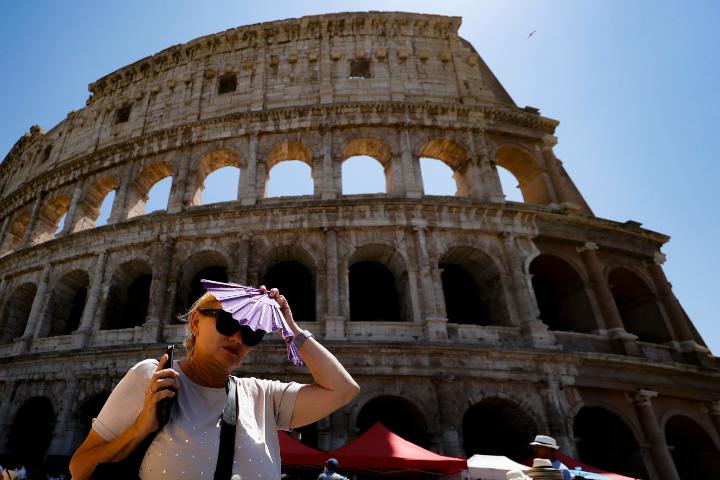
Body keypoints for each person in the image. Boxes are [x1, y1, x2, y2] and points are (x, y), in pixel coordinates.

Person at [69, 285, 360, 479]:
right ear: (195, 322)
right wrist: (139, 429)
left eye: (252, 333)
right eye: (229, 322)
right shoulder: (152, 377)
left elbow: (342, 389)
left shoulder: (264, 396)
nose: (238, 337)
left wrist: (290, 328)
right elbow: (79, 468)